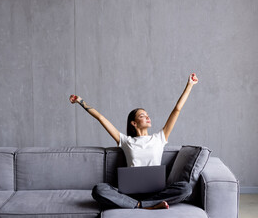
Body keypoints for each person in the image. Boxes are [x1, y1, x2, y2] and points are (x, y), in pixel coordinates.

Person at [69, 73, 199, 209]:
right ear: (134, 123)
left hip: (156, 192)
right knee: (99, 189)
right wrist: (80, 101)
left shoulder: (160, 137)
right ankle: (145, 205)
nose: (148, 117)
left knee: (186, 188)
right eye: (142, 116)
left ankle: (141, 205)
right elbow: (101, 118)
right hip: (131, 195)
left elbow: (177, 110)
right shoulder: (126, 141)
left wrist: (189, 85)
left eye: (148, 115)